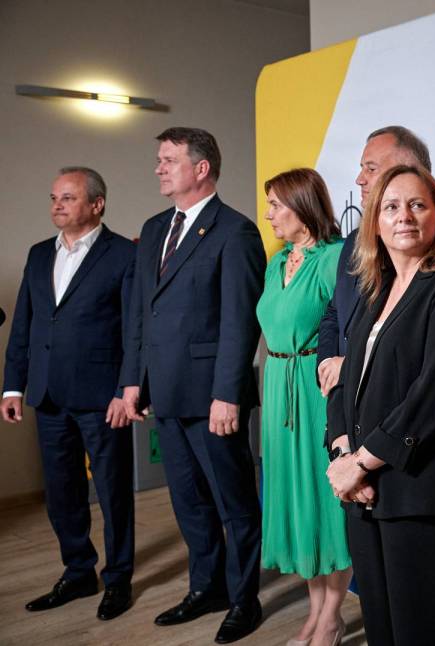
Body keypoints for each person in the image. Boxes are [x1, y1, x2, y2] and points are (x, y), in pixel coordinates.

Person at [326, 164, 435, 646]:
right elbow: (345, 380)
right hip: (368, 495)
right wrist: (342, 451)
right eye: (392, 207)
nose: (404, 216)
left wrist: (360, 462)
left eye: (418, 205)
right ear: (375, 221)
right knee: (384, 633)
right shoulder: (376, 286)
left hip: (426, 494)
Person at [119, 128, 266, 644]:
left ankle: (244, 600)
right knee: (188, 501)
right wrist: (132, 382)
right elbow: (141, 313)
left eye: (169, 160)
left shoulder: (236, 232)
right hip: (165, 392)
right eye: (158, 159)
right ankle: (207, 587)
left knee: (234, 504)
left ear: (201, 168)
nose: (158, 168)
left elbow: (239, 323)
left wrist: (227, 393)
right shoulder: (154, 228)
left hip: (212, 398)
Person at [2, 167, 135, 621]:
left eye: (68, 197)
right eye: (54, 197)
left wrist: (125, 391)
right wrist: (13, 385)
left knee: (114, 493)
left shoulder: (124, 254)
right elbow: (25, 325)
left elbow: (133, 331)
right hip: (48, 395)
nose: (57, 205)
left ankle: (118, 580)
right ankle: (78, 572)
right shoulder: (39, 253)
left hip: (102, 398)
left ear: (97, 204)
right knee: (62, 492)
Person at [256, 168, 352, 646]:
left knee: (324, 502)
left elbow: (353, 326)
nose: (269, 214)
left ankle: (332, 616)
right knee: (296, 502)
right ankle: (315, 611)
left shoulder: (335, 258)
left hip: (316, 391)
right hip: (277, 385)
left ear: (302, 205)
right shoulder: (277, 262)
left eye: (276, 205)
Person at [316, 126, 434, 397]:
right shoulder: (353, 242)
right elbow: (335, 312)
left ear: (406, 172)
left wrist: (349, 367)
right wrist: (327, 364)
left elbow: (419, 350)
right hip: (345, 403)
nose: (360, 179)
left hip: (398, 407)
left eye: (371, 169)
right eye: (362, 168)